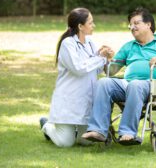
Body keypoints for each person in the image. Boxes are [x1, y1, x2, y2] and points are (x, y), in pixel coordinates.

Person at [81, 7, 156, 145]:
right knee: (104, 82)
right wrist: (109, 58)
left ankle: (127, 132)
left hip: (155, 87)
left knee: (135, 85)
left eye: (136, 23)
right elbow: (111, 71)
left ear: (148, 25)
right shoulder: (129, 46)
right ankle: (98, 130)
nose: (132, 27)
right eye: (131, 24)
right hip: (127, 84)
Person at [39, 8, 114, 147]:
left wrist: (106, 58)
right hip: (69, 99)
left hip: (86, 98)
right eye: (90, 23)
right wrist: (100, 58)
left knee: (85, 141)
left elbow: (95, 70)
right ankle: (47, 126)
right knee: (65, 143)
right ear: (80, 26)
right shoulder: (68, 44)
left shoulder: (90, 42)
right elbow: (79, 68)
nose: (94, 25)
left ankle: (72, 131)